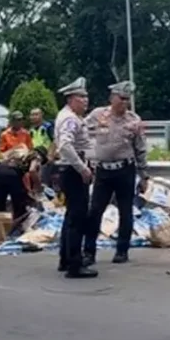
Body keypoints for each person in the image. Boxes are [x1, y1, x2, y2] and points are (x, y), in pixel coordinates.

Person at [84, 81, 149, 265]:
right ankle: (89, 251)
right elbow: (83, 132)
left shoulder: (133, 120)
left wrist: (144, 175)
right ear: (112, 98)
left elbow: (141, 149)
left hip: (125, 170)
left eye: (128, 100)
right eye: (121, 98)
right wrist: (87, 159)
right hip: (103, 170)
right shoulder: (98, 115)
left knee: (125, 211)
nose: (124, 103)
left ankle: (122, 250)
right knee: (95, 211)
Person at [54, 77, 97, 279]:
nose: (85, 100)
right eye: (81, 97)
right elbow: (65, 146)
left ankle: (66, 258)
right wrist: (82, 168)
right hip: (73, 172)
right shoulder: (70, 119)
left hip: (69, 171)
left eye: (86, 96)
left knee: (71, 217)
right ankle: (75, 265)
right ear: (71, 99)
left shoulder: (70, 116)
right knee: (77, 219)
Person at [0, 145, 47, 233]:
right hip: (13, 173)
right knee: (19, 205)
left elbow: (3, 157)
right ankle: (19, 230)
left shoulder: (21, 150)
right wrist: (38, 186)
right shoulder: (36, 156)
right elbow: (32, 170)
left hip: (0, 171)